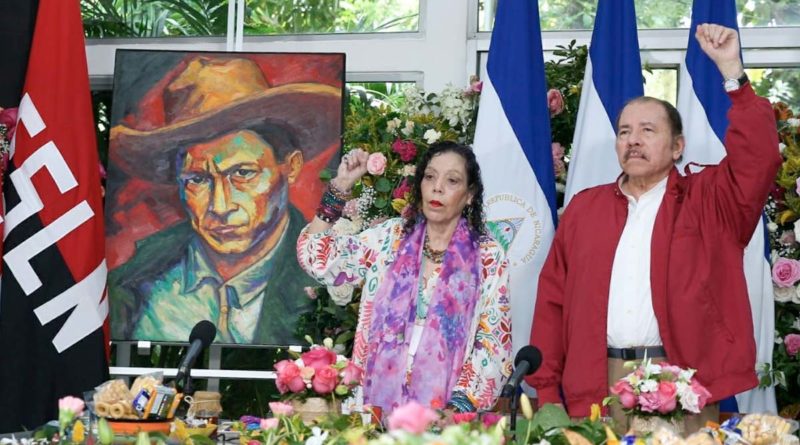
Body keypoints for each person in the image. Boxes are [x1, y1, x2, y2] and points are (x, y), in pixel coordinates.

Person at [527, 23, 782, 431]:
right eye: (625, 131)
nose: (633, 140)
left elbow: (761, 159)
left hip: (682, 379)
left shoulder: (711, 199)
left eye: (648, 131)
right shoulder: (584, 208)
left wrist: (733, 72)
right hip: (597, 381)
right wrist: (546, 391)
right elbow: (552, 304)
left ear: (677, 146)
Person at [108, 56, 342, 344]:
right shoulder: (136, 282)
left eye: (243, 173)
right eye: (197, 180)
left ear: (290, 167)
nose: (220, 206)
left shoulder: (326, 278)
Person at [296, 142, 513, 413]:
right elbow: (317, 259)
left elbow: (493, 344)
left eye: (452, 180)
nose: (437, 188)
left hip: (445, 419)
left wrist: (455, 410)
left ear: (470, 195)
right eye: (430, 176)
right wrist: (340, 186)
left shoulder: (487, 256)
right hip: (373, 410)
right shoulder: (389, 239)